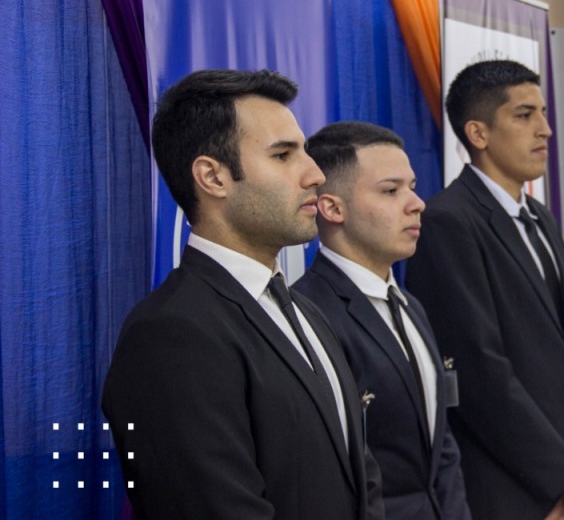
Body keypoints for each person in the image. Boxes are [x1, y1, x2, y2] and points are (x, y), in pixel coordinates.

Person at [101, 69, 384, 519]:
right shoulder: (170, 335)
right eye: (283, 155)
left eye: (305, 151)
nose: (314, 174)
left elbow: (361, 481)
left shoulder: (306, 312)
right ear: (212, 177)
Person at [406, 60, 564, 520]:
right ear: (478, 134)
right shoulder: (448, 222)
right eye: (524, 116)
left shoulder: (540, 217)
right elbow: (480, 372)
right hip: (505, 488)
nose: (544, 129)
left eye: (542, 113)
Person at [293, 121, 471, 520]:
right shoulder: (309, 314)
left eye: (411, 187)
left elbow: (443, 449)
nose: (416, 203)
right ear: (332, 207)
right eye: (391, 191)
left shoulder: (410, 305)